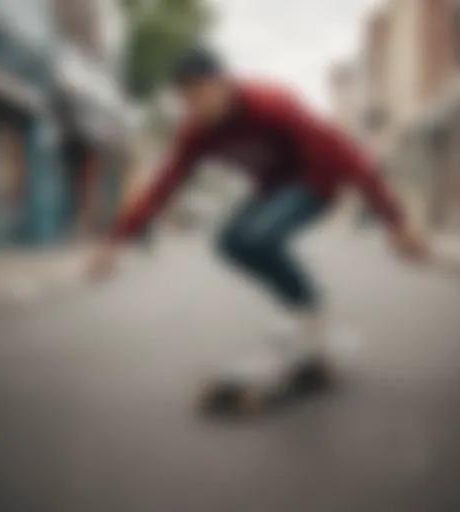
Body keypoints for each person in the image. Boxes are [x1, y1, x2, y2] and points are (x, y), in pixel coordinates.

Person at [86, 47, 427, 356]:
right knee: (228, 241)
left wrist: (395, 221)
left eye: (200, 93)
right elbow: (164, 183)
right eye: (186, 98)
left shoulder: (271, 103)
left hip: (315, 185)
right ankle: (300, 306)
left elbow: (346, 155)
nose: (195, 105)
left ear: (223, 84)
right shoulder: (195, 131)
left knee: (258, 236)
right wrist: (117, 240)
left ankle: (309, 308)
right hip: (270, 190)